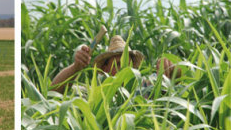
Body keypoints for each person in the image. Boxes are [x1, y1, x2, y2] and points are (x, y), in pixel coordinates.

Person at [51, 35, 181, 92]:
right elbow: (55, 90)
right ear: (105, 69)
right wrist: (75, 67)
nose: (125, 70)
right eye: (118, 64)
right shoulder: (93, 93)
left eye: (128, 65)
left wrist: (170, 68)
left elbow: (176, 78)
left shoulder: (143, 88)